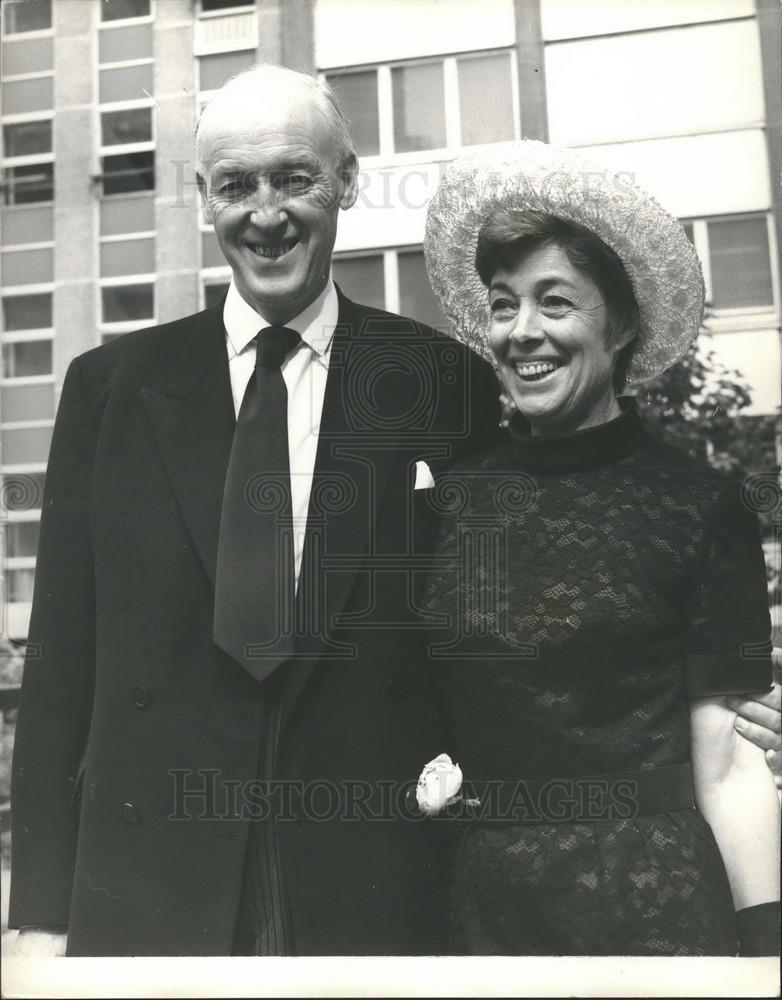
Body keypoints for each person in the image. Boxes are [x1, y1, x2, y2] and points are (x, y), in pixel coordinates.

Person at [8, 64, 502, 957]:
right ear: (205, 198)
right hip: (156, 864)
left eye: (294, 179)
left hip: (371, 866)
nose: (265, 214)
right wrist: (38, 910)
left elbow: (489, 639)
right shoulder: (112, 390)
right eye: (236, 185)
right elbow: (60, 657)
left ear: (346, 181)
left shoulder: (443, 381)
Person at [419, 140, 781, 955]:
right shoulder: (452, 500)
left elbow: (727, 762)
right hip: (480, 906)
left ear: (619, 326)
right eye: (504, 304)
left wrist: (766, 948)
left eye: (555, 302)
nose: (523, 332)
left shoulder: (700, 507)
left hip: (649, 908)